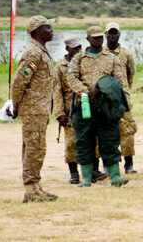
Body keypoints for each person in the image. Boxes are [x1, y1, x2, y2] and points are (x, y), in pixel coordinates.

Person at [66, 26, 130, 187]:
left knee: (110, 140)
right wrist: (86, 92)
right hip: (84, 105)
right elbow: (71, 78)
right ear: (88, 39)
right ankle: (86, 178)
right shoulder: (78, 58)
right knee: (84, 141)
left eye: (101, 37)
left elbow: (120, 81)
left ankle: (115, 176)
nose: (99, 40)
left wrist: (103, 91)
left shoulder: (112, 58)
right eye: (95, 37)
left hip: (106, 106)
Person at [12, 16, 58, 203]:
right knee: (34, 148)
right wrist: (15, 105)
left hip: (40, 108)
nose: (51, 30)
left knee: (38, 148)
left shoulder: (42, 51)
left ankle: (36, 188)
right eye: (48, 27)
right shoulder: (33, 53)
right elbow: (19, 82)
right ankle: (30, 190)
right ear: (38, 32)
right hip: (33, 109)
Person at [105, 22, 138, 174]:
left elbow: (131, 75)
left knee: (127, 131)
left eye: (115, 33)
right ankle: (107, 164)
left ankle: (128, 164)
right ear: (105, 35)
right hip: (104, 99)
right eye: (110, 33)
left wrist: (125, 92)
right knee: (105, 132)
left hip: (123, 98)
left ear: (119, 35)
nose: (112, 36)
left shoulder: (126, 54)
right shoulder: (100, 52)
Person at [52, 36, 83, 184]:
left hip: (85, 105)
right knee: (71, 142)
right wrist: (59, 113)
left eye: (79, 48)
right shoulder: (60, 66)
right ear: (67, 49)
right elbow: (56, 91)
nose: (78, 51)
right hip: (69, 109)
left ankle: (91, 171)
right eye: (74, 48)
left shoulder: (85, 62)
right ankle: (73, 173)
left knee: (90, 140)